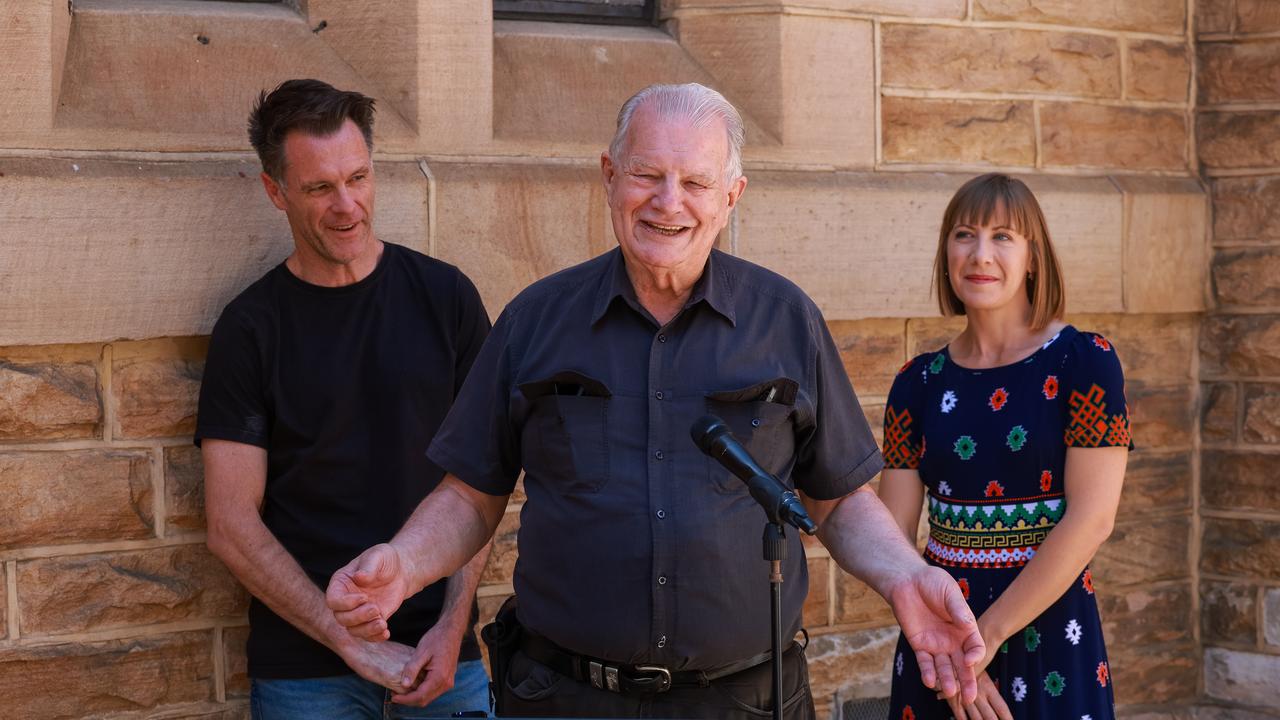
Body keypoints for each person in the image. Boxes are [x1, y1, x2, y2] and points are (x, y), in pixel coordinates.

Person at [326, 83, 984, 719]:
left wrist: (905, 576)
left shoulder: (786, 320)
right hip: (565, 698)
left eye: (696, 182)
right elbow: (472, 496)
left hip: (745, 702)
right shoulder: (535, 321)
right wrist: (405, 564)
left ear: (731, 197)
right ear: (609, 175)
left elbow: (837, 501)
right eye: (647, 174)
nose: (669, 202)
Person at [195, 79, 493, 719]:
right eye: (319, 188)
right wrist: (347, 645)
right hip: (306, 674)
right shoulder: (250, 329)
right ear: (275, 191)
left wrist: (452, 630)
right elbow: (230, 524)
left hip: (444, 661)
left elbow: (482, 483)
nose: (347, 205)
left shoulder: (448, 301)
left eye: (357, 178)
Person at [879, 173, 1130, 720]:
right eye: (964, 234)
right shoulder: (916, 383)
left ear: (1034, 257)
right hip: (939, 642)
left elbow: (1093, 519)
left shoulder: (1084, 363)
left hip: (1052, 635)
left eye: (1003, 237)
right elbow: (891, 538)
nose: (980, 254)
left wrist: (985, 637)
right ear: (946, 251)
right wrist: (948, 643)